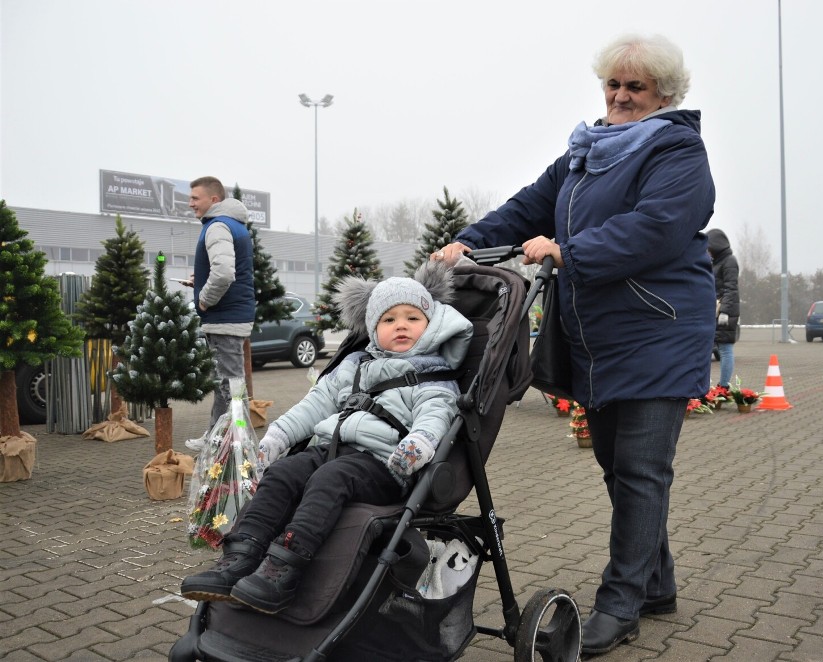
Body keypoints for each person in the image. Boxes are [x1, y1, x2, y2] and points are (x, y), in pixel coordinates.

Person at [433, 34, 715, 656]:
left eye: (634, 87)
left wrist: (571, 251)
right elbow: (529, 207)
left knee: (641, 472)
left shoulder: (677, 150)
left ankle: (620, 604)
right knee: (619, 467)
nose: (619, 95)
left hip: (657, 331)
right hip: (597, 338)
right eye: (613, 84)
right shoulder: (586, 152)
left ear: (663, 94)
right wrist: (467, 243)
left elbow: (658, 226)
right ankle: (657, 583)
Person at [180, 262, 473, 614]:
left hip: (382, 465)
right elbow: (315, 404)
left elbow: (437, 412)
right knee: (283, 473)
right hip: (331, 449)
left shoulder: (432, 374)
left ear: (430, 325)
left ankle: (284, 568)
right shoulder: (355, 365)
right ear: (372, 327)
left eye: (412, 318)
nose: (401, 326)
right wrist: (278, 435)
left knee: (329, 479)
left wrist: (419, 443)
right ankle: (241, 556)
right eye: (389, 319)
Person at [184, 176, 255, 452]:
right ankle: (218, 436)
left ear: (213, 200)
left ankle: (239, 444)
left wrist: (204, 299)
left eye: (195, 198)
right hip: (228, 317)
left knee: (231, 387)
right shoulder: (232, 225)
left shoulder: (218, 226)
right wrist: (199, 281)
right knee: (226, 385)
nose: (190, 204)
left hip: (225, 319)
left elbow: (225, 273)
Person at [707, 228, 740, 388]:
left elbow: (731, 289)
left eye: (709, 247)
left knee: (725, 349)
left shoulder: (729, 262)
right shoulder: (716, 263)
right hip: (714, 310)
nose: (708, 251)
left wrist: (725, 312)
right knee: (710, 349)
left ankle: (724, 386)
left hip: (724, 312)